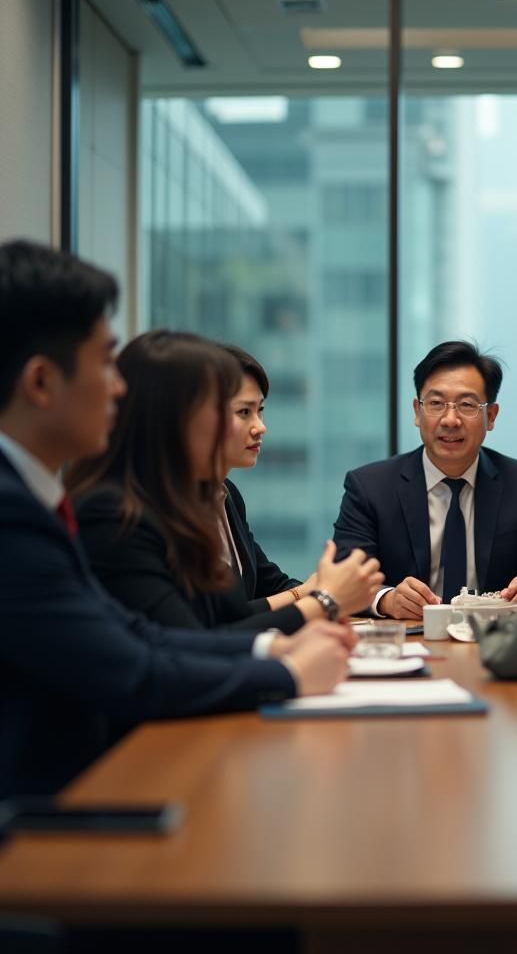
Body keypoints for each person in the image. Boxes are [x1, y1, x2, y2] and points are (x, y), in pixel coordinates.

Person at [0, 240, 376, 799]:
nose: (118, 386)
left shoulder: (38, 501)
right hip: (57, 816)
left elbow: (142, 637)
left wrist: (274, 648)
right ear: (40, 382)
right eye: (105, 362)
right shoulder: (26, 515)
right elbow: (136, 670)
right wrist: (293, 664)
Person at [65, 330, 380, 635]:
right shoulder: (115, 512)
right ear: (170, 420)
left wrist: (325, 596)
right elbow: (194, 641)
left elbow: (230, 615)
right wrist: (321, 601)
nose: (259, 428)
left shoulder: (203, 498)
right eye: (238, 412)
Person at [333, 340, 517, 619]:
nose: (450, 419)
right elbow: (341, 582)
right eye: (436, 403)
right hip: (407, 645)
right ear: (417, 411)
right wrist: (387, 600)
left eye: (467, 405)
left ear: (491, 416)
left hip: (493, 648)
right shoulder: (369, 487)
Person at [220, 343, 317, 612]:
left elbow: (269, 582)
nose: (260, 427)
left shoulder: (227, 495)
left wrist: (322, 590)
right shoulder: (170, 506)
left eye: (260, 410)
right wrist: (305, 597)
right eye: (244, 412)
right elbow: (217, 621)